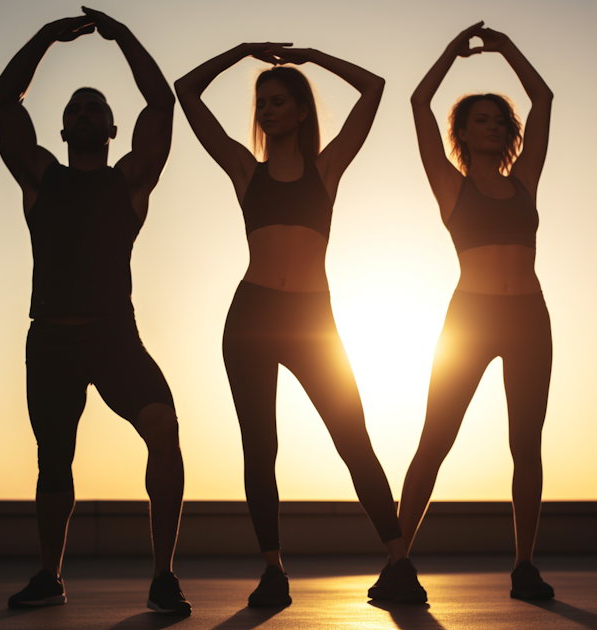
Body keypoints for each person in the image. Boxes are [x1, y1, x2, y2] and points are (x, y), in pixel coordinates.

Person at [175, 43, 426, 606]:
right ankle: (272, 571)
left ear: (302, 110)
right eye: (260, 102)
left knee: (352, 436)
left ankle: (399, 563)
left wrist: (313, 58)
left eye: (278, 100)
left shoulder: (327, 168)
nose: (265, 110)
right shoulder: (245, 170)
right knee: (259, 447)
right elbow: (186, 92)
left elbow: (374, 88)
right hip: (252, 317)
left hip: (313, 319)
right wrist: (240, 54)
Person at [0, 7, 190, 615]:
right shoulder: (40, 178)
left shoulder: (129, 181)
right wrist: (48, 36)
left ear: (111, 129)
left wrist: (123, 36)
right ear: (62, 126)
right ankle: (50, 575)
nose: (82, 113)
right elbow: (3, 99)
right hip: (49, 340)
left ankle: (163, 576)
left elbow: (161, 107)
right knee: (54, 459)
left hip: (112, 336)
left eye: (94, 108)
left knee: (163, 428)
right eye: (74, 107)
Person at [399, 22, 554, 600]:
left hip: (529, 317)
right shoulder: (450, 184)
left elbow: (543, 99)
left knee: (527, 444)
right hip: (470, 317)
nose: (492, 125)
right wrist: (451, 53)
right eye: (479, 118)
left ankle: (525, 567)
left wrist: (508, 47)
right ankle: (398, 560)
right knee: (436, 437)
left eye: (498, 119)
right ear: (461, 132)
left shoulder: (526, 183)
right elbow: (419, 102)